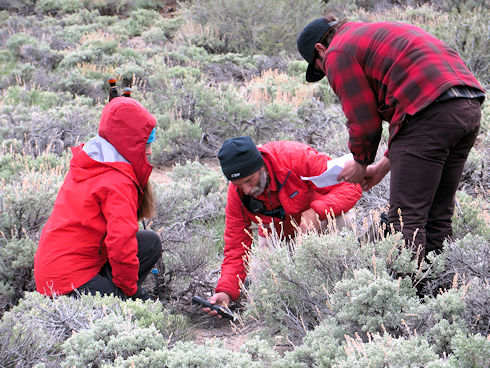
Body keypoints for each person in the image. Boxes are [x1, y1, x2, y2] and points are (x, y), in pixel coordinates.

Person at [297, 17, 485, 261]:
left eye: (320, 67)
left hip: (429, 113)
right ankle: (440, 289)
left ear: (320, 49)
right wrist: (381, 167)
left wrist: (359, 164)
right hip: (466, 106)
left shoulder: (337, 51)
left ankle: (411, 294)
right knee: (437, 214)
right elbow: (410, 123)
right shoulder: (371, 32)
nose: (327, 71)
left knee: (407, 219)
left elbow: (365, 121)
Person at [203, 136, 362, 317]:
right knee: (260, 294)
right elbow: (236, 245)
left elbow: (351, 184)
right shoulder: (237, 193)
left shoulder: (295, 157)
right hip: (277, 240)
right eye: (239, 184)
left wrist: (317, 211)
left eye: (250, 180)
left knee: (344, 221)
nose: (246, 189)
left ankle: (342, 288)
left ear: (261, 165)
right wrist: (226, 292)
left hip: (318, 227)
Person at [34, 97, 162, 300]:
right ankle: (116, 299)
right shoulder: (117, 180)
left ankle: (111, 290)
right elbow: (121, 245)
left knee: (149, 242)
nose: (150, 151)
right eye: (145, 144)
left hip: (53, 272)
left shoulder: (91, 161)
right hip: (68, 282)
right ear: (130, 144)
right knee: (125, 308)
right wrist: (132, 291)